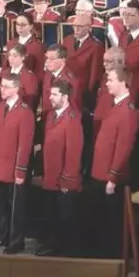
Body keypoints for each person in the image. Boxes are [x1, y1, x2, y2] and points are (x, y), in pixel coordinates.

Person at [88, 68, 139, 258]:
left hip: (111, 177)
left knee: (114, 223)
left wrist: (113, 176)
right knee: (102, 221)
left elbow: (123, 147)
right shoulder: (115, 105)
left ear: (123, 83)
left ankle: (116, 260)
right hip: (100, 172)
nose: (106, 83)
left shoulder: (127, 111)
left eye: (110, 80)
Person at [0, 74, 36, 254]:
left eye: (7, 87)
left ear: (16, 89)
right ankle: (3, 236)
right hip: (0, 165)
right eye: (1, 86)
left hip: (14, 168)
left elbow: (25, 145)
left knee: (15, 207)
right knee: (1, 206)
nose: (2, 89)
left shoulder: (25, 112)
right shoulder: (1, 107)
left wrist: (20, 171)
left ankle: (16, 241)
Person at [37, 79, 85, 257]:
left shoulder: (72, 119)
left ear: (65, 97)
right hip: (50, 175)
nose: (50, 97)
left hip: (63, 180)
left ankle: (64, 251)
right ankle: (50, 245)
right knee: (50, 215)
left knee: (64, 217)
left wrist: (67, 179)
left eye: (55, 94)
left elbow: (73, 153)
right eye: (50, 94)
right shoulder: (51, 115)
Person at [66, 14, 105, 108]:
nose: (76, 29)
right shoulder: (67, 40)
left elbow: (95, 74)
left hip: (82, 92)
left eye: (80, 26)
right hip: (65, 87)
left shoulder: (96, 46)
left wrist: (89, 95)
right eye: (74, 26)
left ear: (88, 27)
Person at [41, 44, 81, 111]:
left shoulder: (71, 81)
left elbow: (74, 109)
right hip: (48, 117)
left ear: (63, 60)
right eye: (47, 58)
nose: (47, 62)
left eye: (52, 59)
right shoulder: (48, 73)